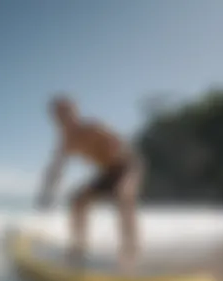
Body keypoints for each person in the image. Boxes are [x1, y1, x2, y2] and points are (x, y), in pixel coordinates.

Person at [36, 95, 143, 271]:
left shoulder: (93, 128)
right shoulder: (66, 143)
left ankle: (130, 252)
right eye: (59, 116)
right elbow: (55, 170)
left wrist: (109, 149)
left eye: (67, 113)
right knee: (78, 200)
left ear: (76, 113)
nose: (64, 119)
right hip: (107, 173)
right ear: (55, 119)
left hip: (127, 167)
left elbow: (122, 147)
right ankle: (79, 248)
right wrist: (46, 193)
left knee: (124, 196)